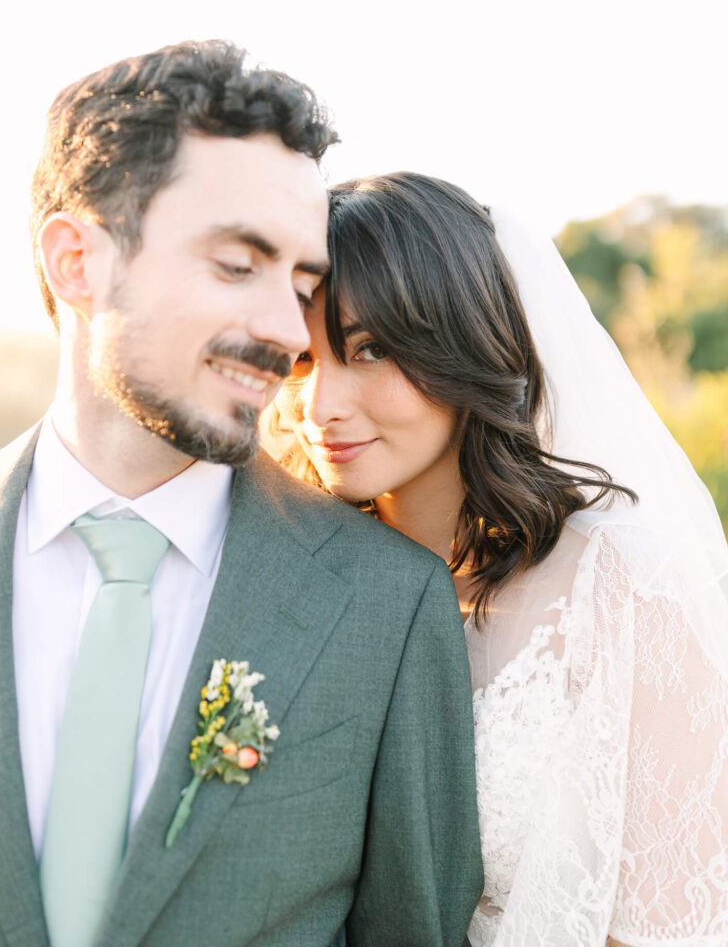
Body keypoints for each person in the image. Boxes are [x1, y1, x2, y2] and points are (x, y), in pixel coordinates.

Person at [0, 49, 483, 947]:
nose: (288, 330)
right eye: (239, 266)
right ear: (77, 260)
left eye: (303, 285)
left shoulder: (388, 612)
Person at [274, 171, 728, 946]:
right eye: (301, 361)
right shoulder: (287, 580)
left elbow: (675, 922)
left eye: (370, 349)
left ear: (461, 346)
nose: (322, 409)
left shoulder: (613, 586)